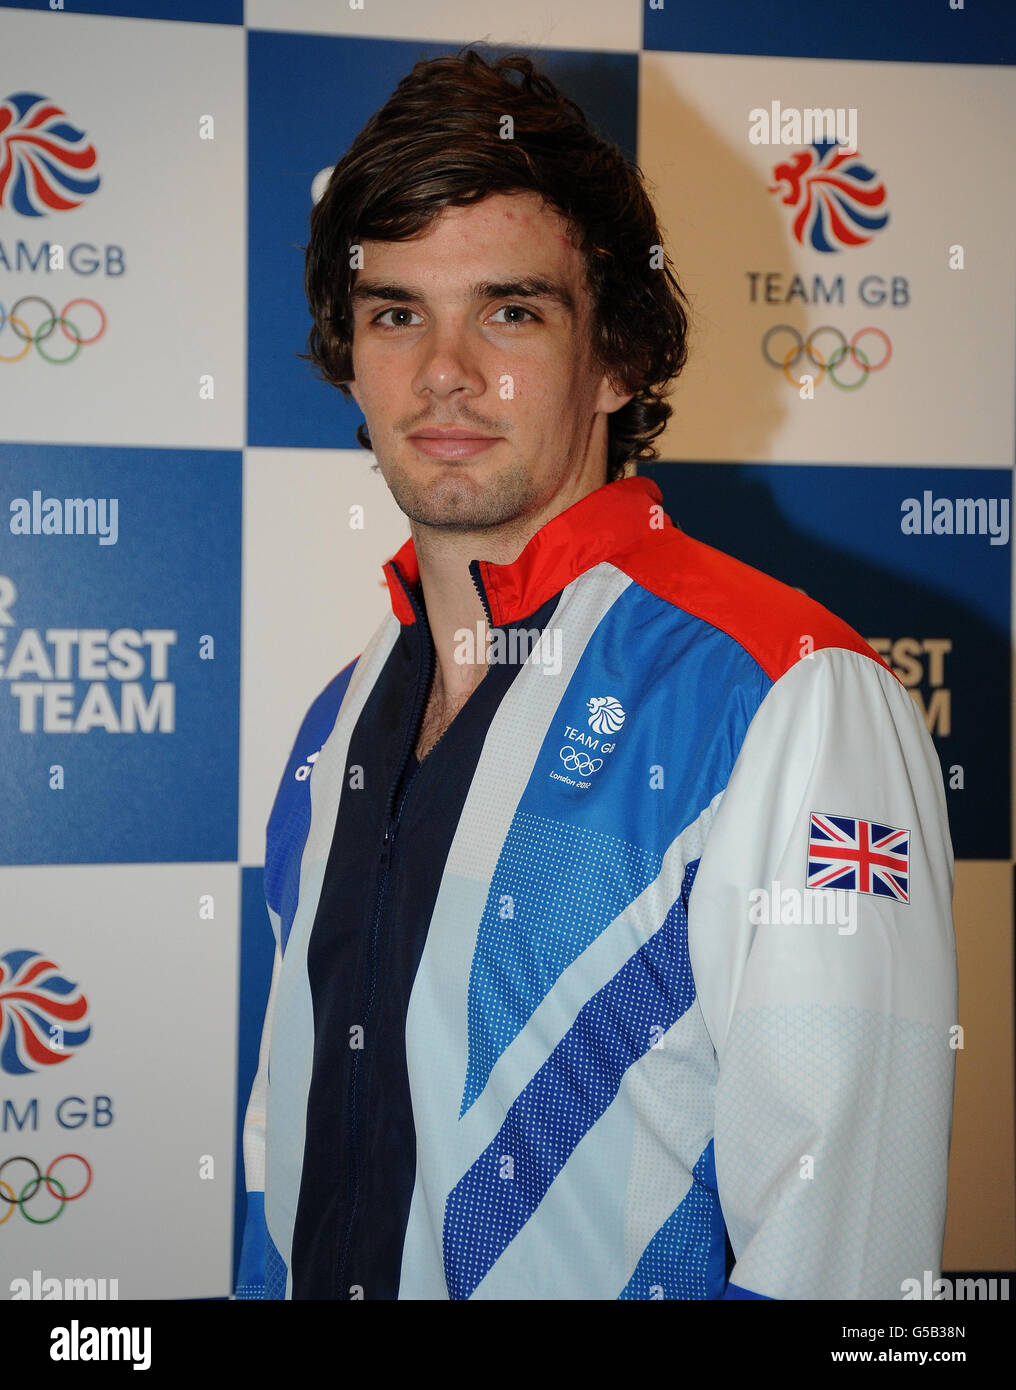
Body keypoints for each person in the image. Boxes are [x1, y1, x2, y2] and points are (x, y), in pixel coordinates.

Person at [237, 48, 957, 1301]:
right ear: (348, 354)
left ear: (617, 359)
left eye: (510, 311)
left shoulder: (785, 693)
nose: (444, 370)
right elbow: (281, 1159)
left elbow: (843, 1257)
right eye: (395, 312)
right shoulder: (339, 713)